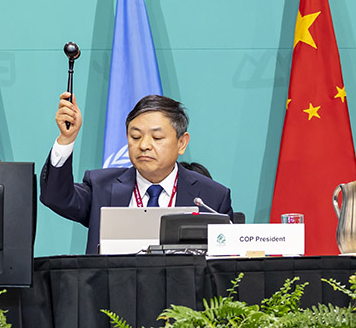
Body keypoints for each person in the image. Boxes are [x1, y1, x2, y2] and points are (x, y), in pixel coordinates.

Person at [40, 92, 234, 254]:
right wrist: (66, 139)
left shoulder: (212, 197)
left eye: (157, 137)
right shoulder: (101, 187)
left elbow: (224, 265)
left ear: (182, 143)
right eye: (135, 136)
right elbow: (55, 197)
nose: (143, 145)